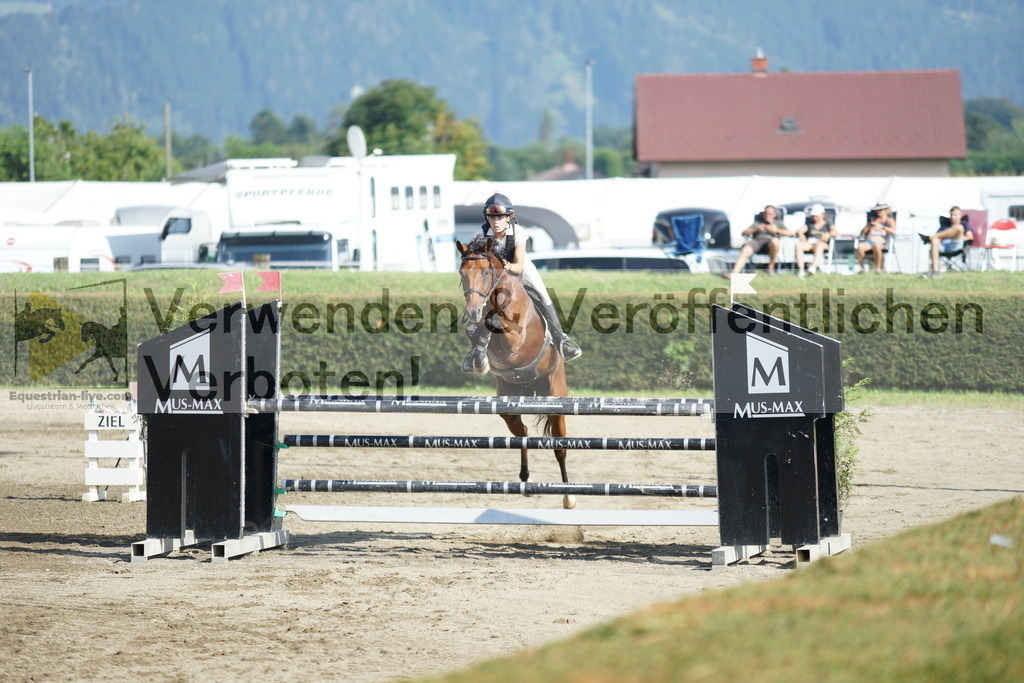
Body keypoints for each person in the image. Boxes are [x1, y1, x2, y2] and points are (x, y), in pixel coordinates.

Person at [462, 193, 582, 369]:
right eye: (492, 217)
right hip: (494, 276)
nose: (496, 222)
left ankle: (561, 339)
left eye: (500, 217)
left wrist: (504, 265)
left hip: (520, 269)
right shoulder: (481, 234)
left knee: (542, 294)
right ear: (487, 217)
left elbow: (518, 266)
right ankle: (474, 351)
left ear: (508, 217)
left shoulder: (518, 233)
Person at [730, 205, 791, 276]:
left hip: (771, 244)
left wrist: (776, 230)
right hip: (757, 241)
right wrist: (756, 229)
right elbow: (744, 232)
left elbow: (790, 233)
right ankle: (734, 273)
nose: (767, 215)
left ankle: (770, 268)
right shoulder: (758, 222)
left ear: (774, 214)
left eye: (769, 214)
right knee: (745, 250)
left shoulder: (778, 223)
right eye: (765, 213)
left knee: (775, 241)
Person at [921, 206, 973, 278]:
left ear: (960, 216)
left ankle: (929, 237)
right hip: (944, 246)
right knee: (935, 240)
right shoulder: (945, 225)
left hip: (956, 244)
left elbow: (970, 238)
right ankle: (935, 271)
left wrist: (954, 235)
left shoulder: (964, 224)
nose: (952, 217)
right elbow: (938, 238)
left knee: (959, 228)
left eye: (955, 215)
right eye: (951, 215)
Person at [793, 203, 836, 277]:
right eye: (813, 216)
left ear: (822, 215)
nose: (815, 218)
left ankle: (813, 267)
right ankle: (801, 270)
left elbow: (835, 232)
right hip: (810, 244)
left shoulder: (828, 224)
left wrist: (828, 234)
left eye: (816, 216)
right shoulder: (809, 224)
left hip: (821, 244)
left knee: (819, 245)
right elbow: (799, 231)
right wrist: (801, 235)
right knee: (799, 245)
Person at [855, 203, 897, 273]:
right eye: (877, 210)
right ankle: (861, 269)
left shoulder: (889, 220)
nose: (878, 212)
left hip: (881, 241)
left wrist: (882, 227)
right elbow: (862, 232)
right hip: (869, 240)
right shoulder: (873, 220)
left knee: (876, 246)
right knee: (860, 247)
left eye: (880, 210)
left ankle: (877, 269)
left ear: (886, 210)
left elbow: (893, 231)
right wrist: (868, 226)